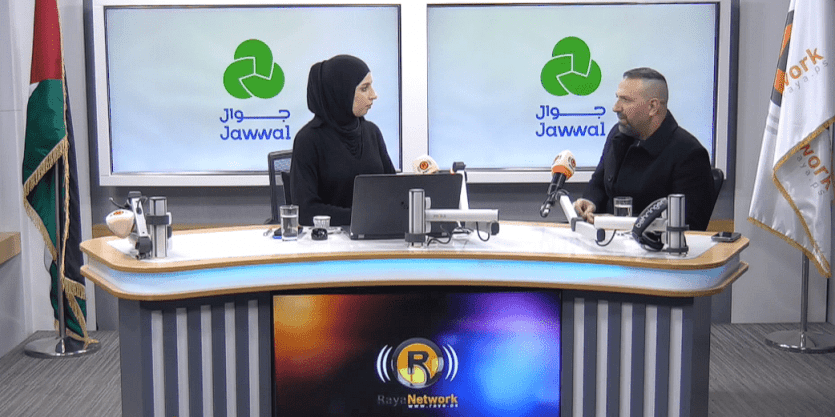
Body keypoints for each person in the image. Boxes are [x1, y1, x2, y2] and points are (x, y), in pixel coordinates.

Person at [573, 67, 714, 231]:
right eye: (617, 98)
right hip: (606, 239)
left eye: (625, 100)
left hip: (652, 245)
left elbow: (689, 227)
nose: (616, 107)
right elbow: (598, 183)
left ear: (653, 107)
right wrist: (590, 202)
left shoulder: (689, 154)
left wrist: (619, 224)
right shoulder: (618, 134)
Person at [290, 55, 396, 226]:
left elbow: (394, 191)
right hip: (330, 237)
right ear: (341, 92)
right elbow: (305, 210)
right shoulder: (308, 139)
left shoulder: (372, 132)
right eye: (364, 88)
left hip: (375, 233)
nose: (373, 95)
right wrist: (361, 217)